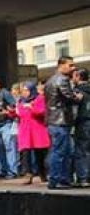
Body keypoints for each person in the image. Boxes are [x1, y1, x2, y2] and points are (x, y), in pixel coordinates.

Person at [45, 56, 82, 189]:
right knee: (60, 151)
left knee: (63, 151)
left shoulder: (50, 80)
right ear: (61, 65)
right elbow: (69, 96)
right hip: (60, 120)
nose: (73, 68)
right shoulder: (62, 79)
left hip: (54, 120)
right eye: (70, 65)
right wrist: (77, 97)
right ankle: (55, 180)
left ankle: (63, 179)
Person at [16, 81, 50, 184]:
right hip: (25, 129)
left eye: (27, 90)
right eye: (23, 90)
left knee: (40, 153)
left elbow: (42, 112)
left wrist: (31, 107)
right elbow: (20, 113)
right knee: (25, 153)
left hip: (37, 129)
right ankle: (27, 174)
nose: (25, 92)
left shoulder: (40, 98)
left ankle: (43, 174)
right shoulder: (21, 101)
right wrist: (13, 112)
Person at [73, 68, 90, 187]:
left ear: (78, 77)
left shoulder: (77, 92)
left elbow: (74, 111)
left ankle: (83, 178)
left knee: (81, 150)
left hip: (82, 123)